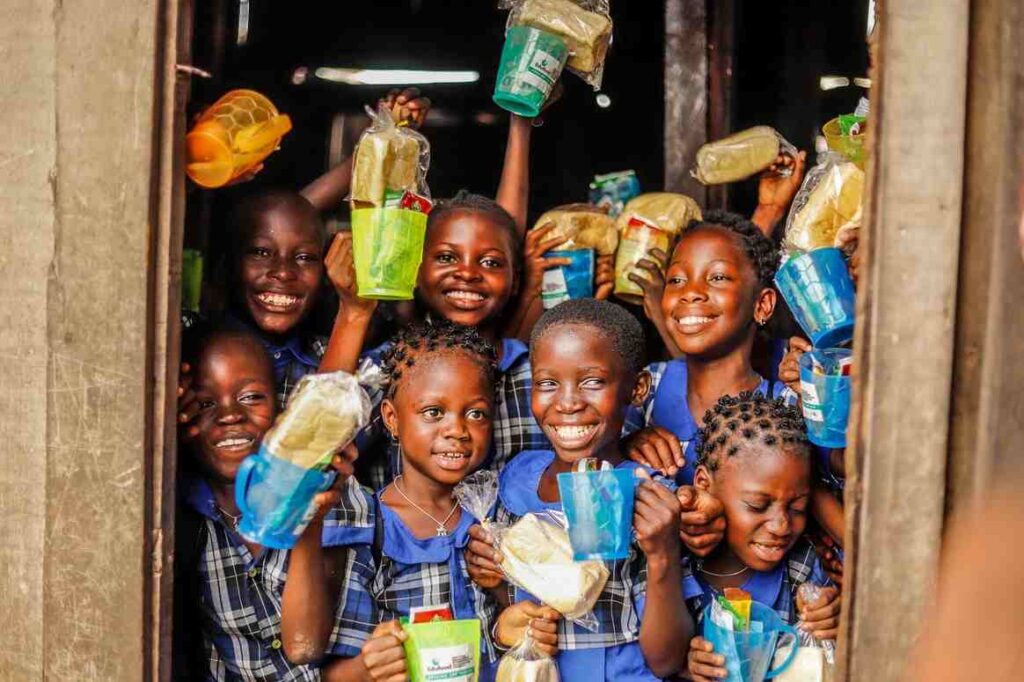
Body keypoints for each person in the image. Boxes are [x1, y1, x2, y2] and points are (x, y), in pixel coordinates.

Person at [176, 89, 432, 432]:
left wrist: (380, 144)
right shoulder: (189, 348)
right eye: (260, 253)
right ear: (227, 265)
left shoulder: (344, 357)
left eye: (305, 258)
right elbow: (283, 222)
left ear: (327, 269)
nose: (283, 272)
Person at [466, 299, 694, 681]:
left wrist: (663, 556)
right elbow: (511, 604)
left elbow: (668, 661)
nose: (568, 402)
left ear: (636, 389)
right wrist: (494, 584)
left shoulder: (650, 497)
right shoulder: (512, 483)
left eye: (592, 382)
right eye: (548, 383)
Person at [279, 320, 507, 681]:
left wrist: (504, 590)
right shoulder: (372, 525)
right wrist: (370, 664)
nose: (457, 430)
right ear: (391, 418)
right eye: (434, 412)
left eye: (475, 413)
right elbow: (307, 652)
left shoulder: (495, 512)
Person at [173, 326, 356, 681]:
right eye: (206, 403)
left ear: (282, 410)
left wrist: (308, 518)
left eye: (251, 397)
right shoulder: (182, 516)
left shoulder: (336, 497)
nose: (230, 415)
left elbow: (305, 648)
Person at [623, 210, 789, 485]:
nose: (690, 291)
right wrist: (626, 445)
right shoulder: (647, 387)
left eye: (717, 278)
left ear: (762, 305)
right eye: (676, 280)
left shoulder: (785, 405)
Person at [684, 392, 840, 682]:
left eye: (798, 507)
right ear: (704, 484)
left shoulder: (803, 569)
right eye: (757, 505)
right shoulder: (678, 565)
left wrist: (832, 616)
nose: (781, 526)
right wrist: (685, 665)